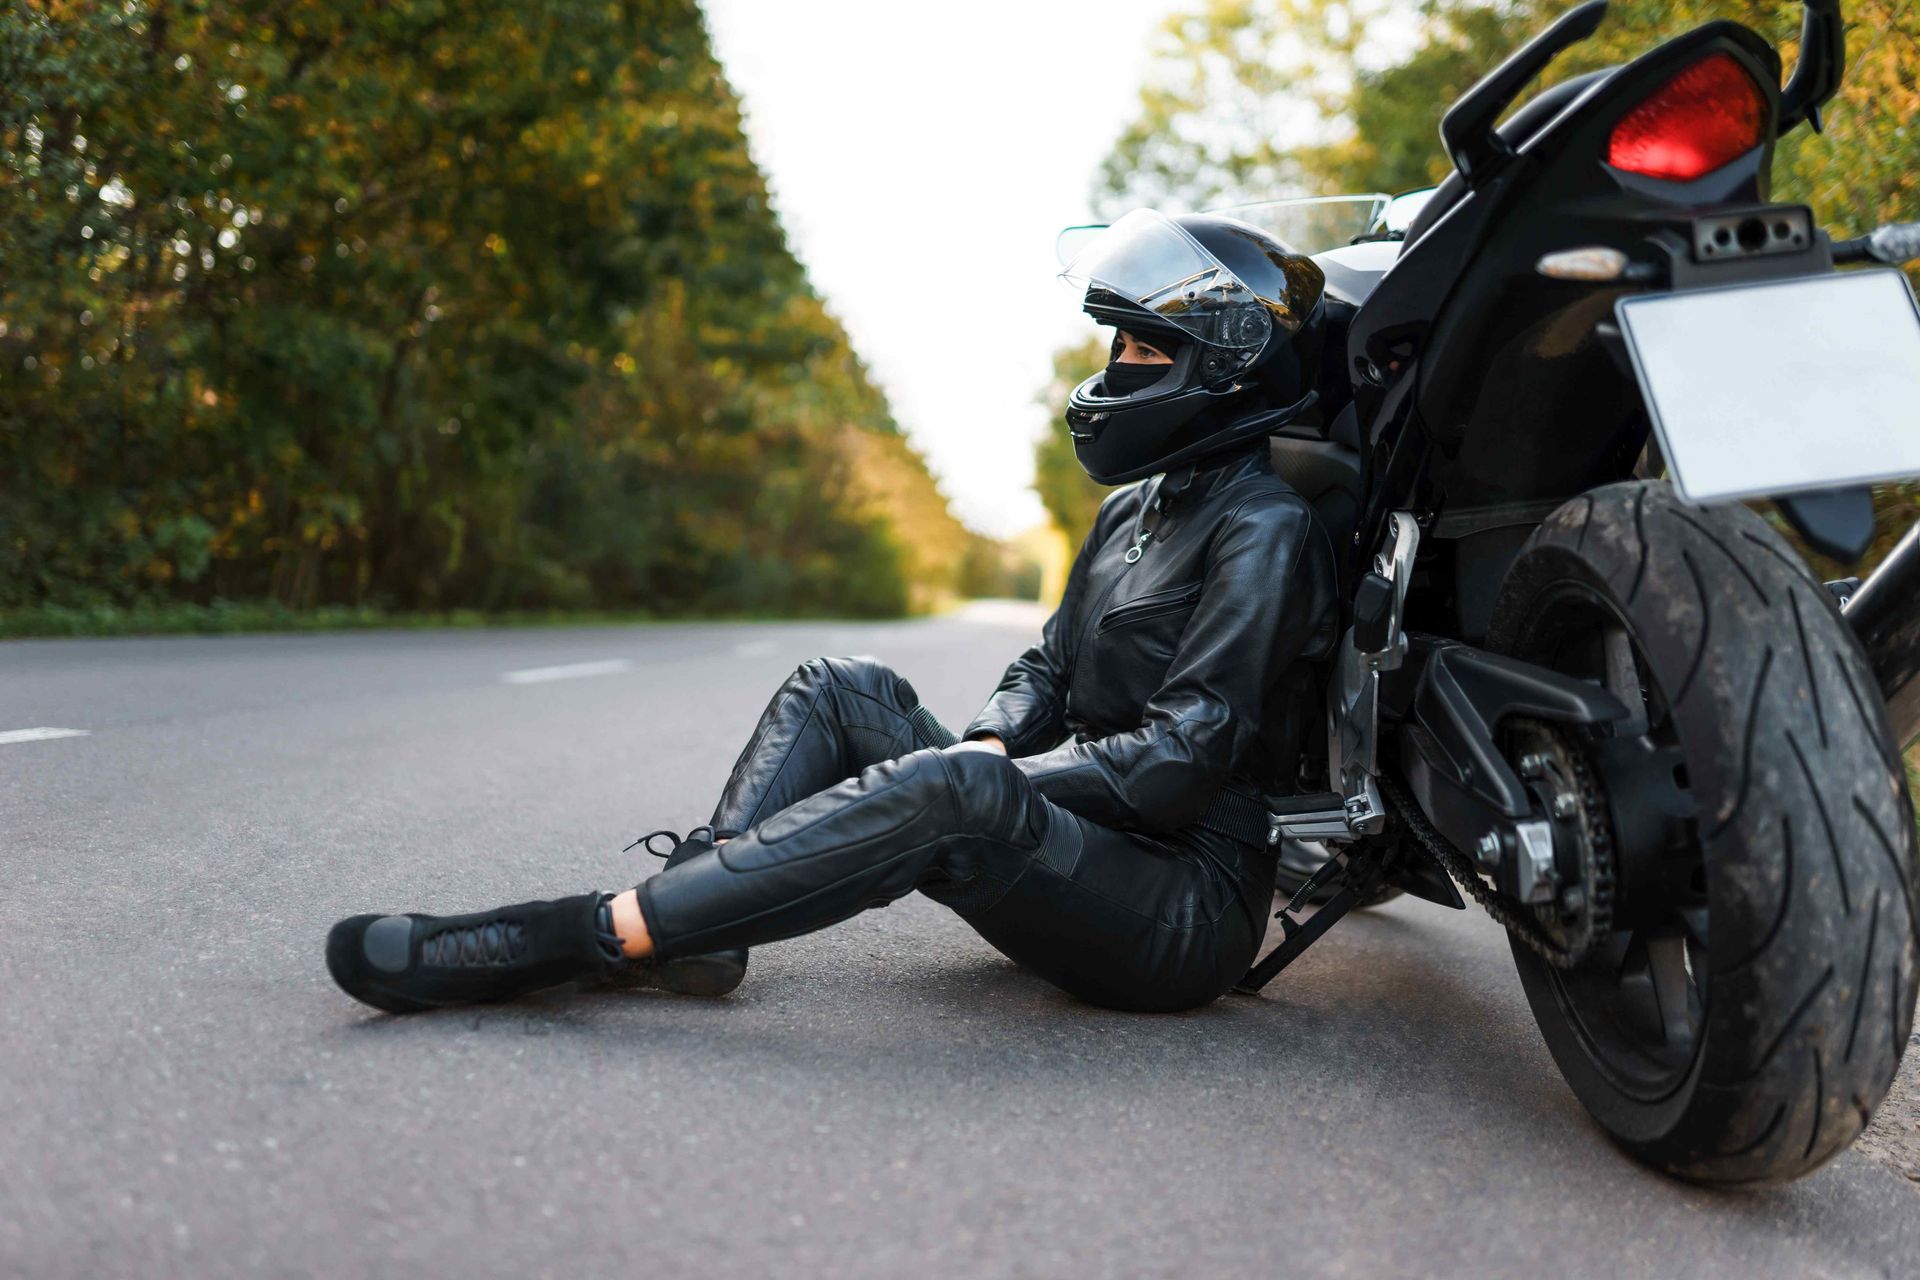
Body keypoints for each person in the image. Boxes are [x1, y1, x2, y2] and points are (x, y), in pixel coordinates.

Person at [326, 209, 1339, 1015]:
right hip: (1081, 846)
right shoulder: (1134, 505)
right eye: (1115, 343)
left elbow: (1178, 761)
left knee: (956, 790)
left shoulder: (1266, 525)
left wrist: (985, 774)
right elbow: (1048, 670)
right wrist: (990, 735)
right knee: (842, 687)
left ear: (1224, 361)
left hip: (1177, 905)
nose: (1115, 365)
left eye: (1142, 350)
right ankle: (705, 913)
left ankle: (578, 936)